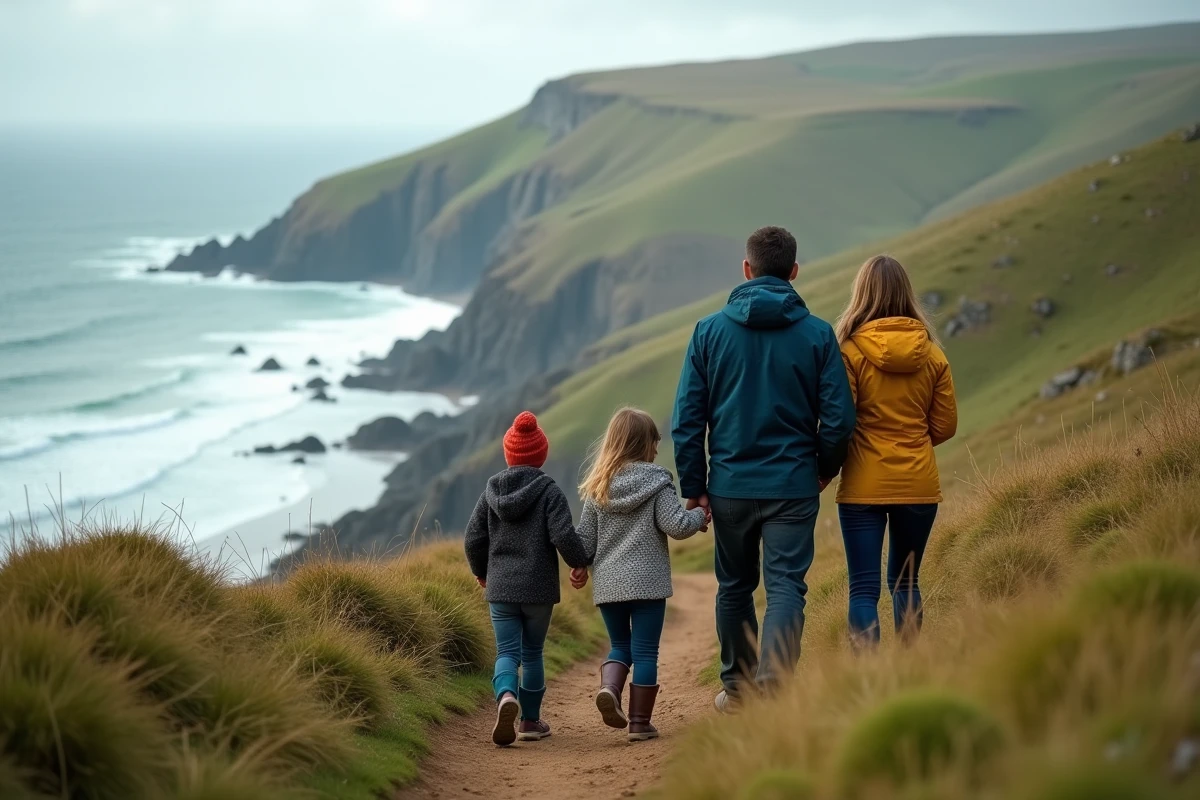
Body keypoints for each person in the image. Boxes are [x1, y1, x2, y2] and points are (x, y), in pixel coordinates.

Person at [672, 226, 855, 709]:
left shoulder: (708, 332)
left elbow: (686, 419)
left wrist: (695, 485)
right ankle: (775, 686)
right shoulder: (817, 334)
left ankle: (738, 690)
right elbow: (838, 419)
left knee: (734, 587)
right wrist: (824, 468)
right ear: (794, 272)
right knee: (786, 587)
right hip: (794, 485)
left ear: (746, 269)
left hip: (729, 486)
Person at [834, 255, 957, 646]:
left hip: (862, 486)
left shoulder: (849, 352)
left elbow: (842, 422)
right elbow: (945, 427)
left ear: (861, 294)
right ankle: (911, 667)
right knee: (906, 583)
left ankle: (866, 677)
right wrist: (914, 442)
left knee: (863, 589)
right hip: (918, 483)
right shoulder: (933, 354)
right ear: (907, 293)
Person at [569, 408, 710, 741]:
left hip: (609, 585)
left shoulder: (597, 488)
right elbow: (676, 525)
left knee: (620, 645)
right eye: (654, 441)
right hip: (648, 584)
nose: (658, 449)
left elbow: (584, 541)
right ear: (642, 443)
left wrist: (579, 566)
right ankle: (639, 723)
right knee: (646, 651)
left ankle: (610, 690)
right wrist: (700, 516)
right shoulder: (658, 482)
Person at [463, 411, 591, 747]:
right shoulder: (549, 492)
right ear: (541, 455)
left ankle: (506, 696)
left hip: (501, 587)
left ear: (508, 455)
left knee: (507, 650)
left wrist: (481, 571)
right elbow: (563, 533)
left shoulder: (490, 492)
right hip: (538, 589)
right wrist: (579, 563)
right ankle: (531, 721)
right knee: (532, 652)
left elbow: (473, 538)